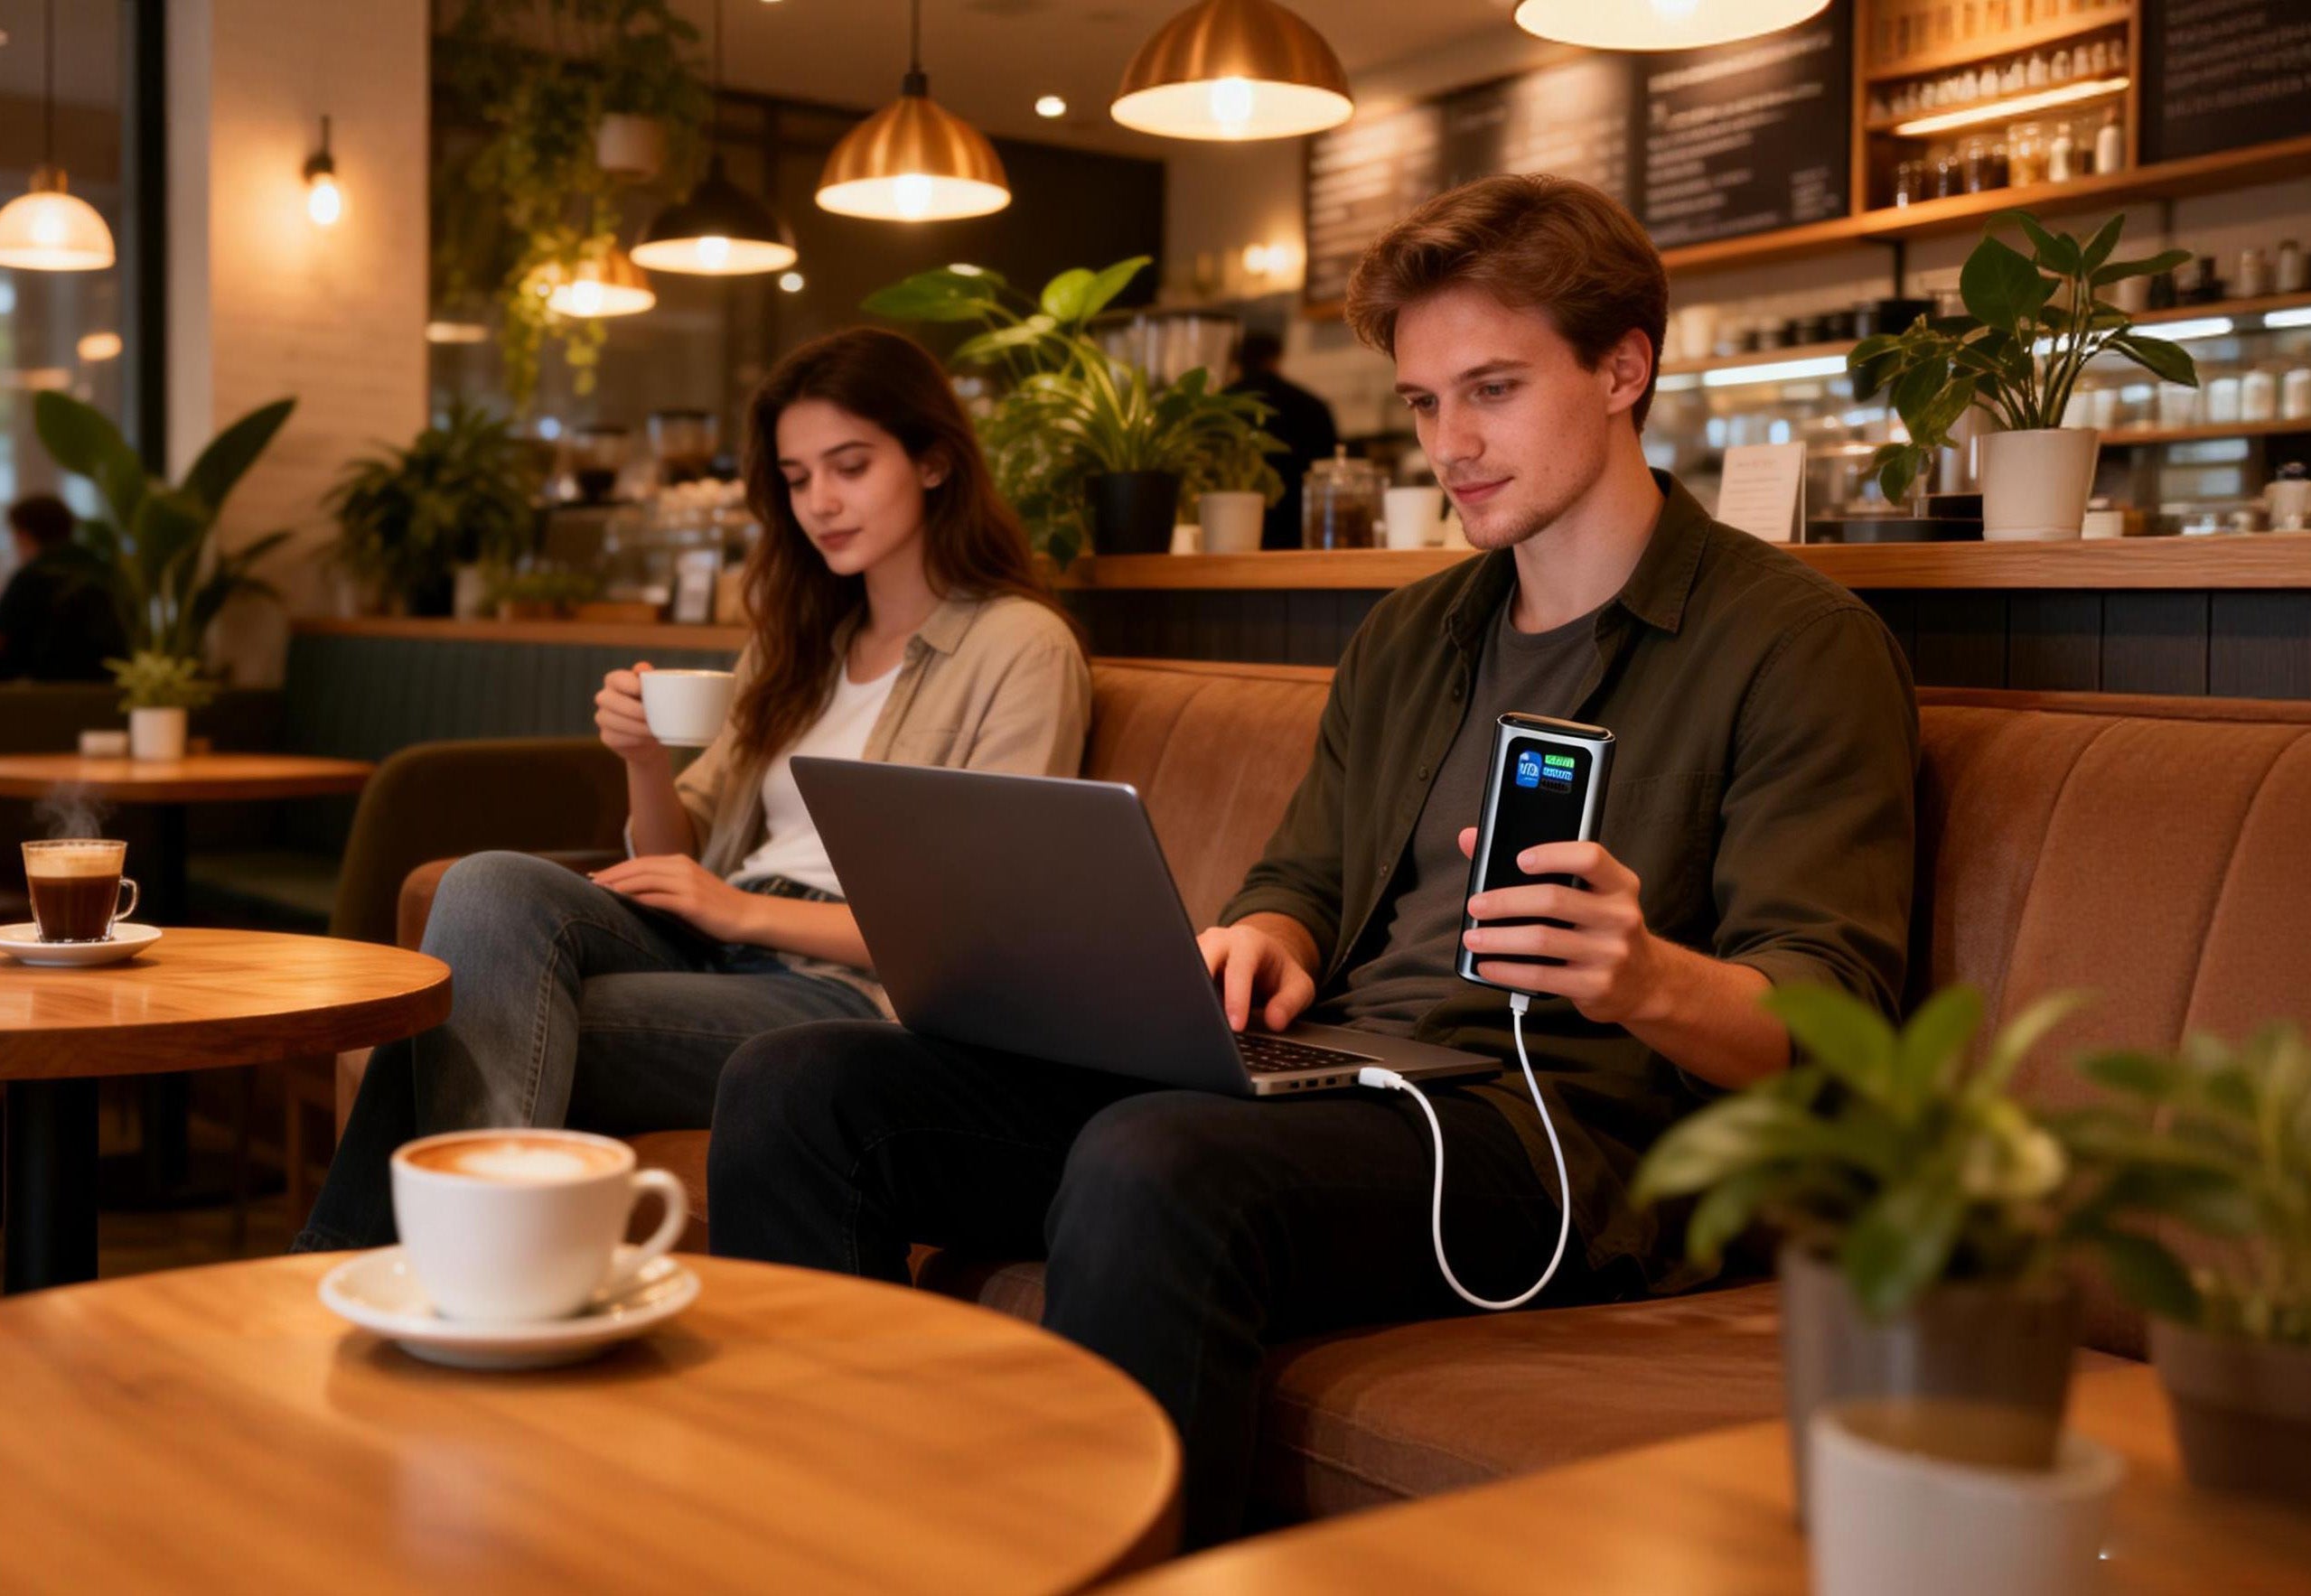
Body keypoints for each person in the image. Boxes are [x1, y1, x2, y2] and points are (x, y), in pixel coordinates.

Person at [705, 175, 1918, 1545]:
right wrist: (1263, 940)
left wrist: (1645, 978)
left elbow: (1839, 1032)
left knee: (1154, 1158)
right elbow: (1304, 881)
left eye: (1493, 391)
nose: (1450, 444)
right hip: (1342, 1078)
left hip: (1556, 1146)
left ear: (1622, 368)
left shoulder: (1794, 645)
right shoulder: (1412, 634)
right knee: (803, 1086)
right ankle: (816, 1537)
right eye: (1423, 403)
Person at [295, 327, 1092, 1251]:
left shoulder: (1019, 647)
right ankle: (460, 1275)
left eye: (850, 466)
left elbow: (977, 933)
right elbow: (680, 854)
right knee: (485, 883)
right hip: (714, 944)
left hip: (842, 992)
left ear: (934, 461)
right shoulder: (797, 645)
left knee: (467, 1014)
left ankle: (414, 1275)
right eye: (796, 478)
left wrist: (742, 910)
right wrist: (641, 757)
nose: (821, 502)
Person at [0, 494, 127, 682]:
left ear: (23, 535)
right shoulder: (99, 567)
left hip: (47, 686)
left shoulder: (35, 575)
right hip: (108, 680)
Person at [1225, 329, 1337, 549]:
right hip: (1297, 529)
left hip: (1232, 531)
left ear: (1236, 361)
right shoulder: (1310, 404)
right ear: (1275, 358)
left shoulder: (1220, 405)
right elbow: (1328, 470)